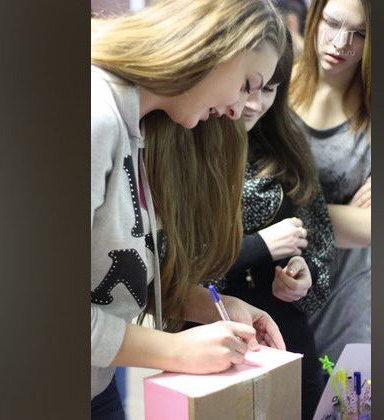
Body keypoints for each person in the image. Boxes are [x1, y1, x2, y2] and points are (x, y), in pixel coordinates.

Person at [91, 1, 287, 418]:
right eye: (247, 84)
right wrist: (175, 350)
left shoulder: (140, 129)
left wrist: (206, 305)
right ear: (217, 47)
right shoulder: (96, 116)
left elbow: (104, 278)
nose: (238, 109)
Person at [206, 34, 337, 420]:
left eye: (269, 89)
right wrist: (258, 246)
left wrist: (302, 277)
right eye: (247, 86)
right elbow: (174, 269)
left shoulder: (286, 146)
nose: (254, 103)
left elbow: (318, 245)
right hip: (211, 344)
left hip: (288, 342)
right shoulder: (185, 144)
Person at [290, 0, 372, 368]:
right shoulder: (272, 86)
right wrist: (341, 218)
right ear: (315, 16)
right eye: (333, 23)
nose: (341, 43)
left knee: (349, 396)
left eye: (360, 34)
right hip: (272, 296)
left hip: (350, 303)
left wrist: (281, 211)